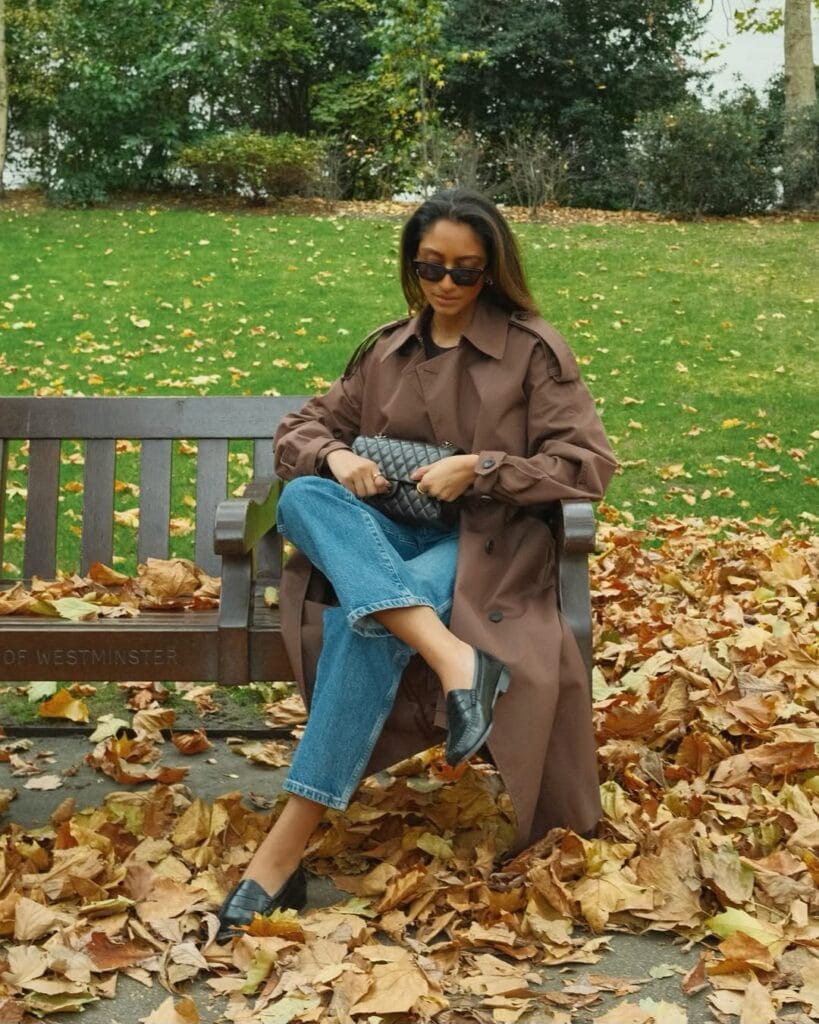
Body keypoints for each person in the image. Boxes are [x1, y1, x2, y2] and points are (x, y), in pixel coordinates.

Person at [215, 188, 617, 941]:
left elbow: (586, 464)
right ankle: (454, 658)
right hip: (378, 537)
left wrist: (482, 468)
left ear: (491, 272)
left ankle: (278, 855)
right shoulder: (385, 349)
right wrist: (335, 456)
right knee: (303, 495)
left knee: (368, 624)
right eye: (430, 266)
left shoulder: (533, 351)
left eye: (466, 272)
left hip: (476, 549)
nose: (446, 285)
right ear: (412, 264)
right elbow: (302, 427)